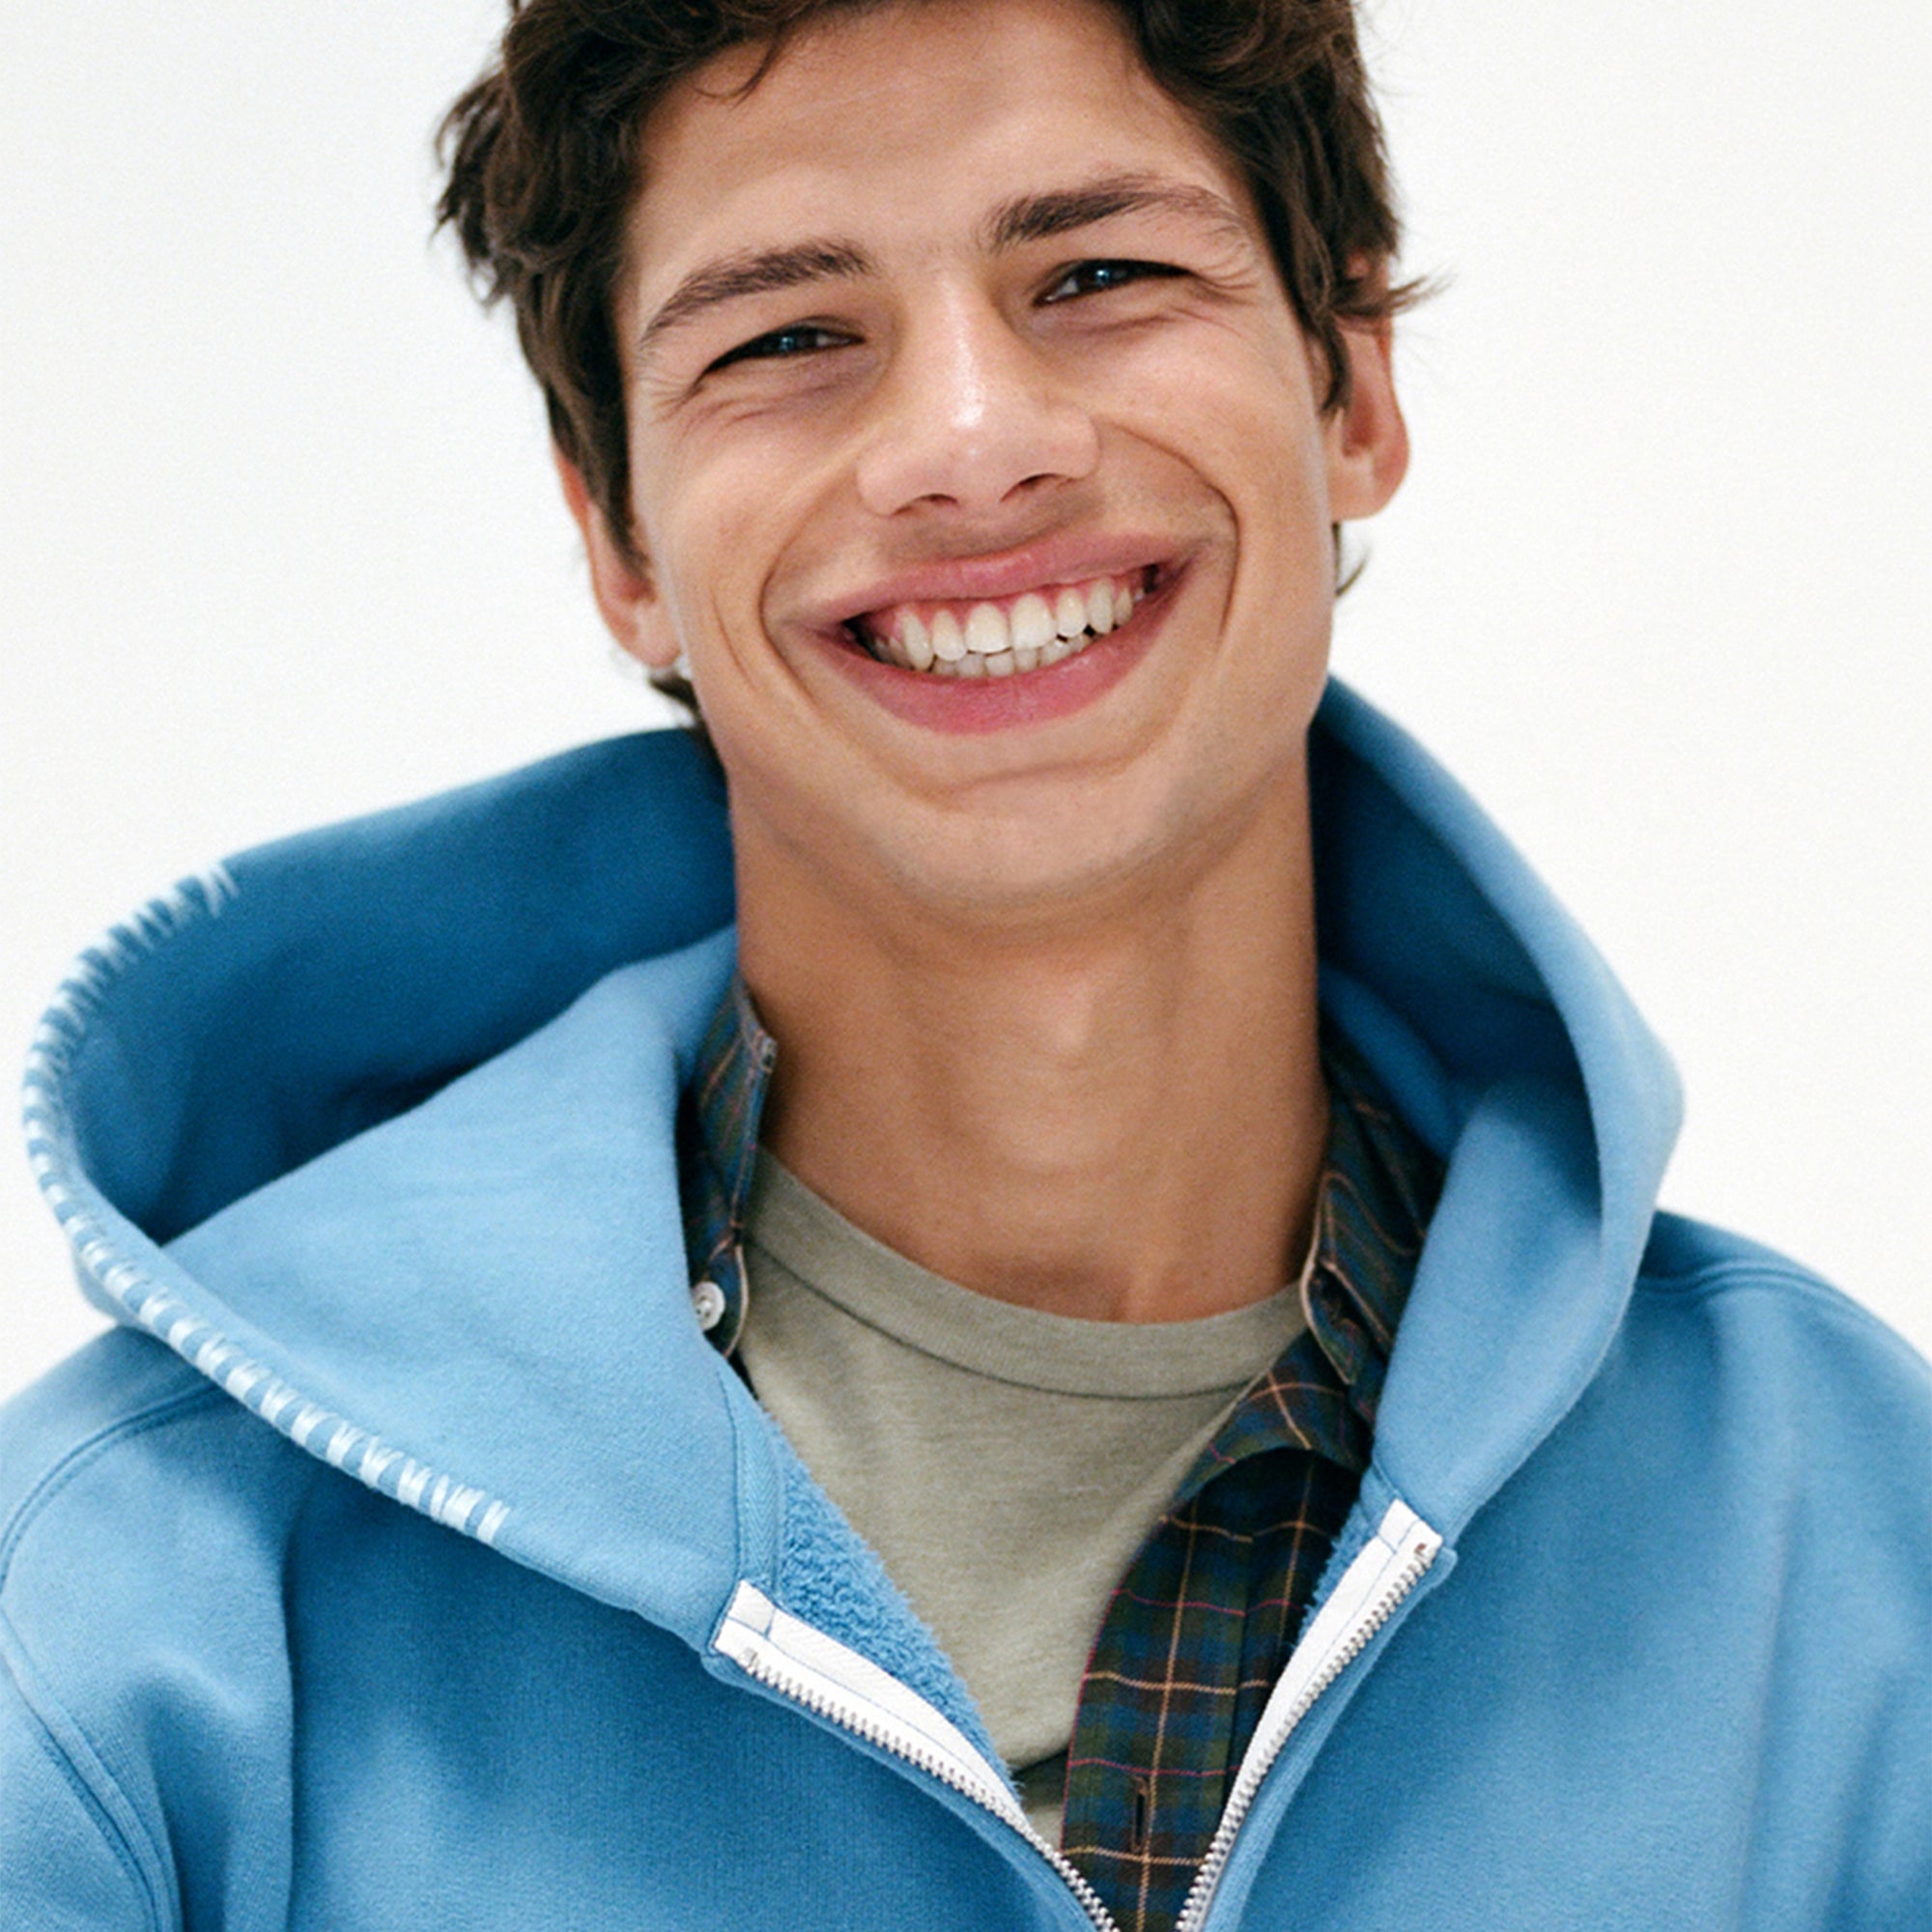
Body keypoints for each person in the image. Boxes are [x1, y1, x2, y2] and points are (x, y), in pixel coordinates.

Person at [1, 0, 1924, 1926]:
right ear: (620, 539)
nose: (973, 445)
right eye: (786, 338)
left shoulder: (1849, 1550)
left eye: (1098, 275)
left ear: (1350, 386)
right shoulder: (113, 1612)